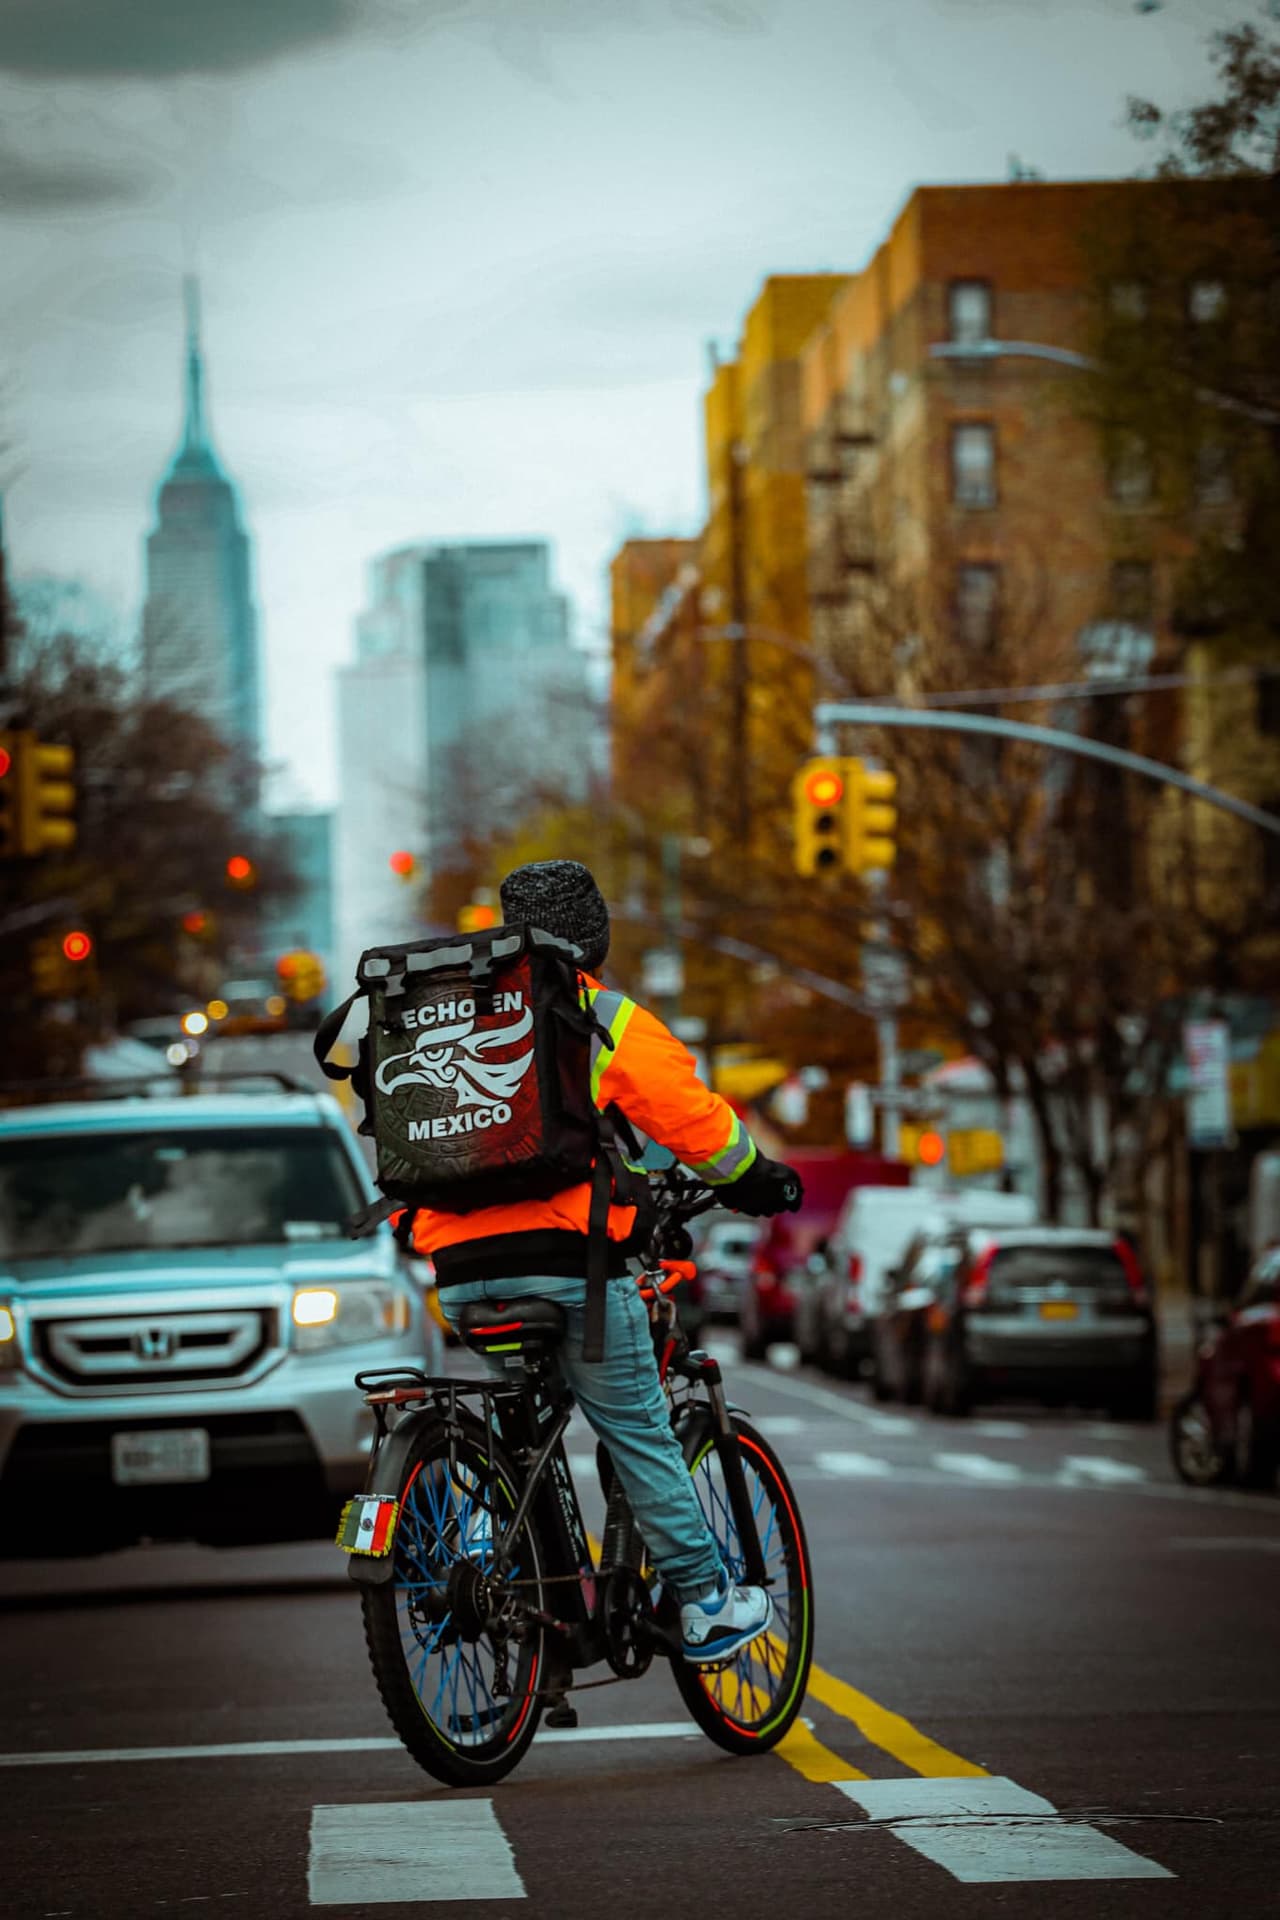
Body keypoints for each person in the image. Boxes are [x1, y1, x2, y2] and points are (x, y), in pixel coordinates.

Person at [413, 859, 803, 1664]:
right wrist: (756, 1177)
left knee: (525, 1426)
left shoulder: (448, 1019)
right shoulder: (598, 1015)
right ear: (594, 934)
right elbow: (694, 1124)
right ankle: (706, 1602)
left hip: (455, 1269)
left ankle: (493, 1555)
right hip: (566, 1266)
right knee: (636, 1428)